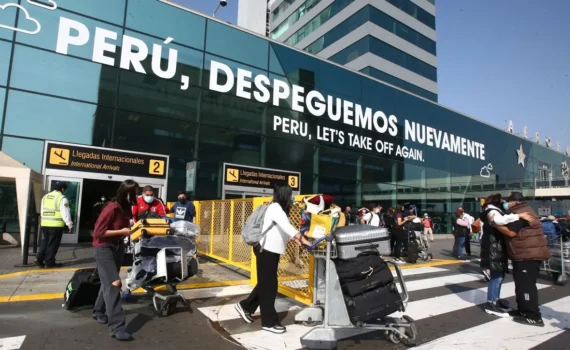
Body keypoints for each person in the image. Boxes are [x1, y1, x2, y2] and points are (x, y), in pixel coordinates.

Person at [235, 184, 311, 334]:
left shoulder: (278, 208)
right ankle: (268, 322)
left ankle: (245, 306)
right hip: (266, 250)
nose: (292, 198)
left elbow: (283, 229)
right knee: (270, 286)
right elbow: (287, 227)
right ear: (284, 195)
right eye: (290, 195)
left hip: (271, 251)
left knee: (266, 283)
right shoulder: (275, 208)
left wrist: (296, 239)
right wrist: (303, 240)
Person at [492, 192, 550, 327]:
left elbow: (511, 232)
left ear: (515, 202)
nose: (506, 204)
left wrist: (495, 224)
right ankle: (523, 311)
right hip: (524, 254)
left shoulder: (522, 213)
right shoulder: (521, 211)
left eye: (508, 201)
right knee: (521, 285)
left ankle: (533, 316)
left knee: (526, 286)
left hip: (528, 255)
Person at [92, 180, 139, 341]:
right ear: (125, 193)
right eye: (134, 193)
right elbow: (98, 233)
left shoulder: (126, 209)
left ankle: (98, 311)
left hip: (118, 248)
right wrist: (121, 231)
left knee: (107, 282)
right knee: (114, 283)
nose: (136, 196)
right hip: (104, 249)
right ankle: (117, 327)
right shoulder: (111, 208)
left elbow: (124, 230)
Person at [479, 193, 534, 317]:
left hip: (495, 247)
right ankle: (491, 303)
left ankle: (495, 300)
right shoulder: (492, 211)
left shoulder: (493, 210)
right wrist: (518, 215)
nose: (505, 203)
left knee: (499, 276)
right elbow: (499, 221)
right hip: (494, 248)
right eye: (503, 201)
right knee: (496, 277)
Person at [35, 181, 73, 268]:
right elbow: (65, 213)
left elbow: (41, 211)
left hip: (44, 224)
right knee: (53, 244)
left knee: (45, 241)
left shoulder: (45, 197)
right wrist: (69, 225)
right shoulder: (62, 198)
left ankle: (39, 258)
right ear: (63, 189)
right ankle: (49, 262)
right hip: (56, 225)